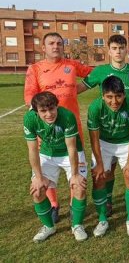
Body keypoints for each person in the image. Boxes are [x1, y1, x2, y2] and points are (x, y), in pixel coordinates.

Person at [78, 34, 129, 217]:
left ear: (126, 50)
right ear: (109, 50)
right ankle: (107, 200)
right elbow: (82, 86)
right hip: (106, 132)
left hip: (128, 131)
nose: (118, 52)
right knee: (108, 171)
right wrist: (59, 97)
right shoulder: (100, 71)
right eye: (114, 48)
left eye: (121, 48)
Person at [24, 32, 92, 223]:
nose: (56, 46)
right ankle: (53, 204)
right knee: (48, 166)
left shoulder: (71, 65)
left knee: (75, 167)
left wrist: (78, 89)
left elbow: (92, 74)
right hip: (46, 128)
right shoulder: (35, 68)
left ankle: (73, 204)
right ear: (43, 48)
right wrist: (40, 116)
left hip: (71, 125)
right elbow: (29, 95)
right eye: (51, 43)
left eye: (59, 43)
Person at [24, 92, 88, 242]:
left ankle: (77, 225)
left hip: (70, 153)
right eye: (43, 111)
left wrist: (75, 174)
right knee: (37, 190)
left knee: (79, 186)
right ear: (36, 111)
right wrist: (39, 178)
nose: (49, 114)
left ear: (57, 106)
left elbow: (71, 147)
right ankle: (48, 226)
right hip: (47, 153)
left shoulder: (67, 116)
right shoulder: (29, 119)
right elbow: (32, 150)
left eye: (52, 109)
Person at [87, 76, 129, 237]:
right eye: (109, 97)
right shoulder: (95, 107)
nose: (114, 101)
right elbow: (94, 138)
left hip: (126, 143)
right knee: (98, 178)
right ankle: (103, 219)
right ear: (103, 96)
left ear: (124, 94)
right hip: (103, 143)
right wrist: (98, 163)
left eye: (118, 96)